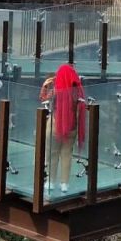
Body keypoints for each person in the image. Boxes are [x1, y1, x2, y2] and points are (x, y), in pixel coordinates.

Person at [40, 64, 87, 195]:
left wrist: (44, 85)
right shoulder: (78, 91)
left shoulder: (56, 90)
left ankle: (50, 181)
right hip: (72, 126)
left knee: (52, 153)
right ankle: (64, 183)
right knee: (66, 154)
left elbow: (42, 98)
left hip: (55, 124)